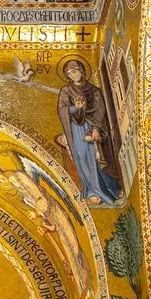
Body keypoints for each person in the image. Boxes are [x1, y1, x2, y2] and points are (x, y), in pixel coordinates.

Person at [56, 57, 124, 203]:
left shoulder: (95, 91)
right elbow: (62, 110)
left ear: (82, 71)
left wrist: (96, 129)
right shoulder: (66, 91)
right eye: (69, 73)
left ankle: (110, 188)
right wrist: (76, 108)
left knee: (97, 157)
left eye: (75, 71)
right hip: (76, 129)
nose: (73, 75)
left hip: (93, 128)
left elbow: (100, 112)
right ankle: (92, 190)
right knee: (82, 158)